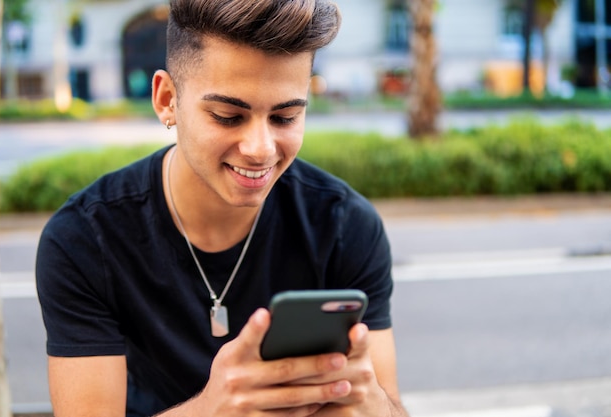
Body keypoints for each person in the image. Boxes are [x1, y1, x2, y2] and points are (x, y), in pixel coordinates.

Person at [36, 1, 410, 416]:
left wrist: (368, 400)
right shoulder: (86, 238)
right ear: (166, 100)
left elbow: (390, 405)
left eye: (285, 118)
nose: (261, 149)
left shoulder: (345, 224)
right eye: (228, 116)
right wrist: (214, 408)